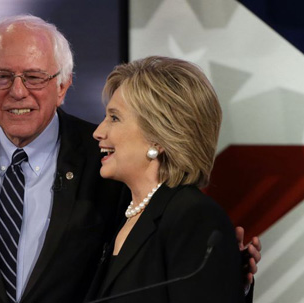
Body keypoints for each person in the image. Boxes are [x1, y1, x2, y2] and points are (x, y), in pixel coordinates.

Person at [0, 15, 260, 303]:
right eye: (1, 77)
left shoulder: (108, 167)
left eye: (34, 77)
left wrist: (226, 276)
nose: (17, 91)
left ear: (64, 85)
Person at [88, 56, 251, 303]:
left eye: (114, 118)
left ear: (158, 135)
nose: (98, 132)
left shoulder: (193, 217)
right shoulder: (122, 215)